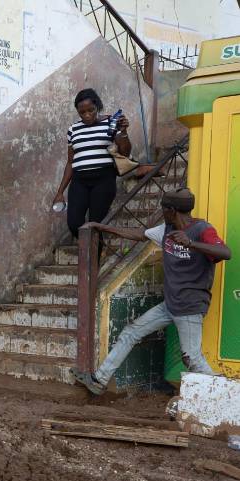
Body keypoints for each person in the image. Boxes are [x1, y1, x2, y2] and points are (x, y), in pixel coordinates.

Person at [72, 188, 231, 395]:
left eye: (164, 209)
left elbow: (225, 252)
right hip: (171, 304)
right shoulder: (166, 229)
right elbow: (139, 235)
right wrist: (100, 226)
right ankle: (99, 380)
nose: (162, 211)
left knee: (192, 358)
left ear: (171, 210)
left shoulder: (202, 229)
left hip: (190, 306)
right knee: (131, 332)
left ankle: (222, 397)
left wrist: (191, 243)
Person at [53, 88, 131, 238]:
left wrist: (124, 132)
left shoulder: (111, 123)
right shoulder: (73, 130)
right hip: (79, 180)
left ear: (98, 107)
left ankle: (92, 260)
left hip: (104, 179)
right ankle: (90, 257)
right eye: (82, 112)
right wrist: (60, 192)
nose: (87, 115)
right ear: (78, 112)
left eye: (91, 110)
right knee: (74, 223)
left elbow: (125, 153)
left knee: (95, 225)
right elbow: (70, 162)